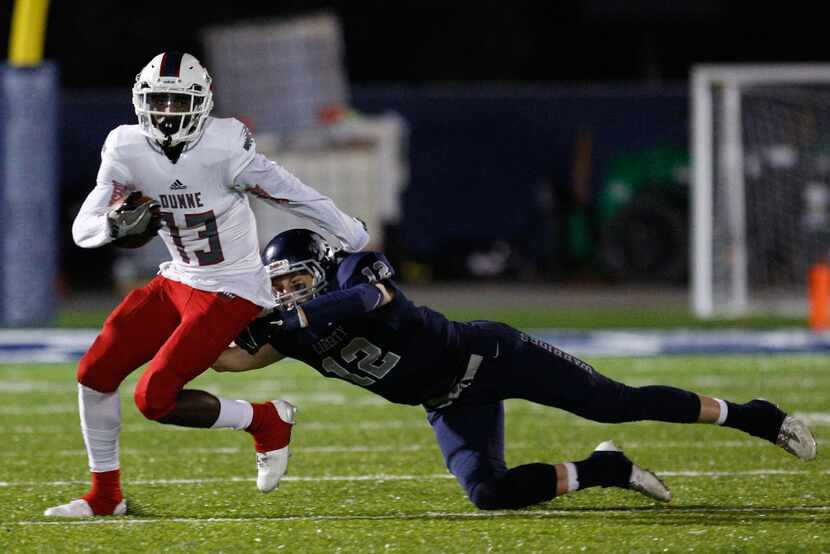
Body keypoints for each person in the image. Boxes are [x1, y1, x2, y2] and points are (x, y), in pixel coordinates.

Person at [214, 228, 817, 510]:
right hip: (449, 401)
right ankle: (603, 470)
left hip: (491, 356)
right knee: (488, 494)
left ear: (320, 270)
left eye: (298, 282)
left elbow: (377, 299)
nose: (290, 295)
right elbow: (232, 358)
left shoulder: (352, 273)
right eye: (282, 289)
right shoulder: (290, 331)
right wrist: (179, 334)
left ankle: (755, 417)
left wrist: (297, 320)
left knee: (616, 401)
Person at [44, 53, 369, 518]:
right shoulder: (125, 147)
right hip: (178, 277)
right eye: (159, 102)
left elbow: (290, 190)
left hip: (232, 287)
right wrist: (115, 225)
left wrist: (349, 231)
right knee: (93, 374)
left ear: (202, 104)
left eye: (179, 102)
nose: (168, 114)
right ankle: (105, 497)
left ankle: (265, 419)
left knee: (153, 399)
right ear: (141, 102)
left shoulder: (224, 146)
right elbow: (84, 228)